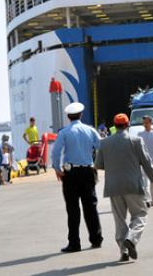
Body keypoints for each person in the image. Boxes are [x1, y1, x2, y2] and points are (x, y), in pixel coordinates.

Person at [94, 113, 153, 262]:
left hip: (113, 187)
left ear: (114, 126)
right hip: (133, 185)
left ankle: (123, 251)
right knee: (141, 214)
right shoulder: (136, 140)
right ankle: (132, 238)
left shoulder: (105, 143)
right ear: (127, 125)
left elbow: (98, 164)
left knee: (120, 220)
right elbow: (146, 162)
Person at [51, 102, 103, 253]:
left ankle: (74, 243)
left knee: (73, 209)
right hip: (88, 171)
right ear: (81, 115)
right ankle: (96, 239)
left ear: (68, 116)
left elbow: (55, 153)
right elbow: (101, 147)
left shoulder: (64, 132)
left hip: (71, 173)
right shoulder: (90, 130)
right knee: (91, 207)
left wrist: (57, 169)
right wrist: (96, 164)